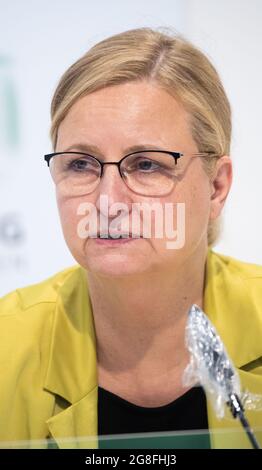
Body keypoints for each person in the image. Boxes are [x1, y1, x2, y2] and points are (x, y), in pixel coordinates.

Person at [0, 27, 261, 450]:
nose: (107, 202)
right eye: (81, 164)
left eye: (146, 165)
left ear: (216, 186)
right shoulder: (6, 348)